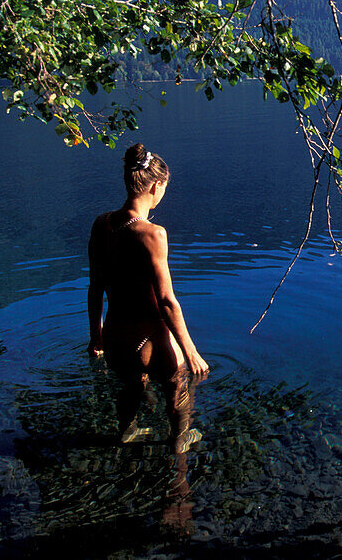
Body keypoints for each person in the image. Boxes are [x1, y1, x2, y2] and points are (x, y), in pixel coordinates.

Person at [87, 143, 209, 453]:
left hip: (115, 339)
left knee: (132, 384)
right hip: (149, 340)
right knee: (178, 389)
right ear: (156, 186)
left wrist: (96, 338)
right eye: (165, 188)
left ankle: (127, 431)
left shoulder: (102, 224)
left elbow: (95, 287)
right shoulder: (152, 234)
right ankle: (179, 442)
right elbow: (167, 301)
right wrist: (190, 351)